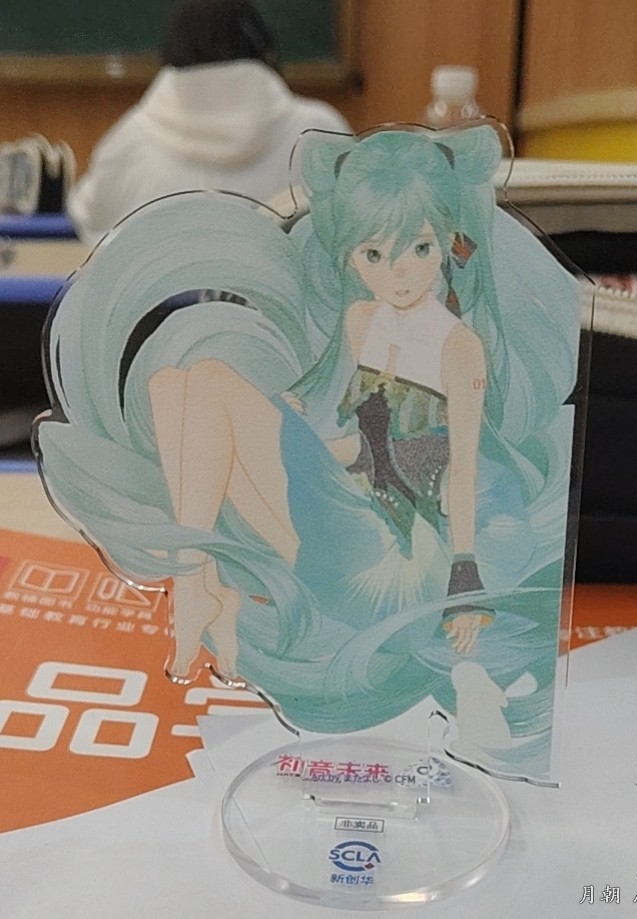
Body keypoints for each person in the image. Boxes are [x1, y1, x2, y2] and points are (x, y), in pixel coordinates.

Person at [37, 126, 581, 782]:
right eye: (373, 254)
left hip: (409, 547)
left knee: (207, 384)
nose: (398, 273)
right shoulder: (360, 321)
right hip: (351, 498)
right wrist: (278, 421)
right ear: (350, 255)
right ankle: (201, 580)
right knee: (171, 387)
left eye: (418, 248)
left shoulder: (459, 348)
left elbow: (461, 467)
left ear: (448, 242)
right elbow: (342, 418)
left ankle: (198, 587)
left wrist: (464, 581)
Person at [67, 0, 349, 246]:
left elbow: (90, 217)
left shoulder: (129, 142)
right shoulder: (320, 132)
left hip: (156, 293)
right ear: (268, 54)